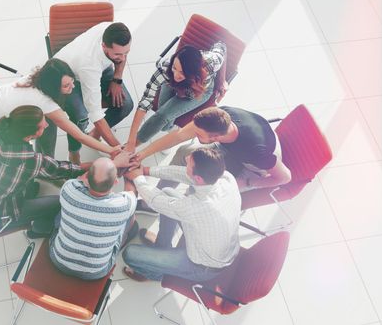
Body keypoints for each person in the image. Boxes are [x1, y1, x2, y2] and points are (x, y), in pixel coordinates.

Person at [134, 106, 292, 245]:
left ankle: (164, 243)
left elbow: (285, 177)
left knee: (194, 194)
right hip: (232, 150)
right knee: (185, 152)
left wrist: (247, 182)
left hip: (252, 168)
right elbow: (179, 136)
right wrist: (141, 154)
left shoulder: (256, 150)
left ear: (214, 137)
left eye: (198, 134)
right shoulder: (220, 115)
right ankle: (153, 202)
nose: (194, 135)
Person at [0, 105, 89, 237]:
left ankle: (28, 193)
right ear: (31, 135)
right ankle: (38, 230)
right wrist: (95, 165)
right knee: (61, 202)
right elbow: (66, 170)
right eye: (43, 125)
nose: (47, 125)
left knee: (27, 182)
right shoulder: (31, 161)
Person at [121, 147, 241, 282]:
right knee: (167, 192)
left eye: (189, 161)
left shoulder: (200, 206)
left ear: (199, 178)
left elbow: (155, 201)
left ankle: (157, 275)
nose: (186, 158)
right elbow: (184, 174)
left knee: (130, 254)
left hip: (202, 266)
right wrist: (145, 170)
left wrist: (138, 179)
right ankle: (162, 246)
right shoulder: (226, 177)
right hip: (213, 241)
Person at [0, 58, 119, 158]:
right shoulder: (43, 101)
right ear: (52, 86)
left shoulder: (42, 76)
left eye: (71, 82)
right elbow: (79, 135)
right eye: (66, 86)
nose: (73, 87)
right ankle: (46, 161)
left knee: (48, 121)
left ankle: (46, 156)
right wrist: (111, 150)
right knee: (48, 123)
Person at [54, 22, 134, 164]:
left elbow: (121, 55)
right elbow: (95, 114)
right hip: (68, 76)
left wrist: (117, 79)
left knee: (126, 104)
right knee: (81, 116)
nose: (122, 58)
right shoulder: (89, 64)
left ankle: (95, 135)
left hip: (101, 68)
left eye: (126, 53)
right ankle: (74, 153)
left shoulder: (113, 29)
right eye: (117, 54)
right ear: (104, 46)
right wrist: (119, 150)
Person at [49, 155, 138, 280]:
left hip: (58, 261)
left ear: (87, 179)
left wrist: (114, 163)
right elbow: (132, 192)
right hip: (95, 273)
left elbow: (80, 178)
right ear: (116, 182)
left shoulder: (69, 189)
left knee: (64, 209)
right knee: (129, 218)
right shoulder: (124, 205)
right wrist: (129, 170)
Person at [125, 43, 227, 152]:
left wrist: (222, 80)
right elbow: (146, 99)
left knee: (162, 116)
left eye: (182, 72)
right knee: (164, 125)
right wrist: (131, 140)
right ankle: (168, 130)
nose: (176, 75)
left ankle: (135, 145)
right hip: (172, 84)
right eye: (175, 68)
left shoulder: (211, 63)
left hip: (197, 91)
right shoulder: (166, 68)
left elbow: (222, 48)